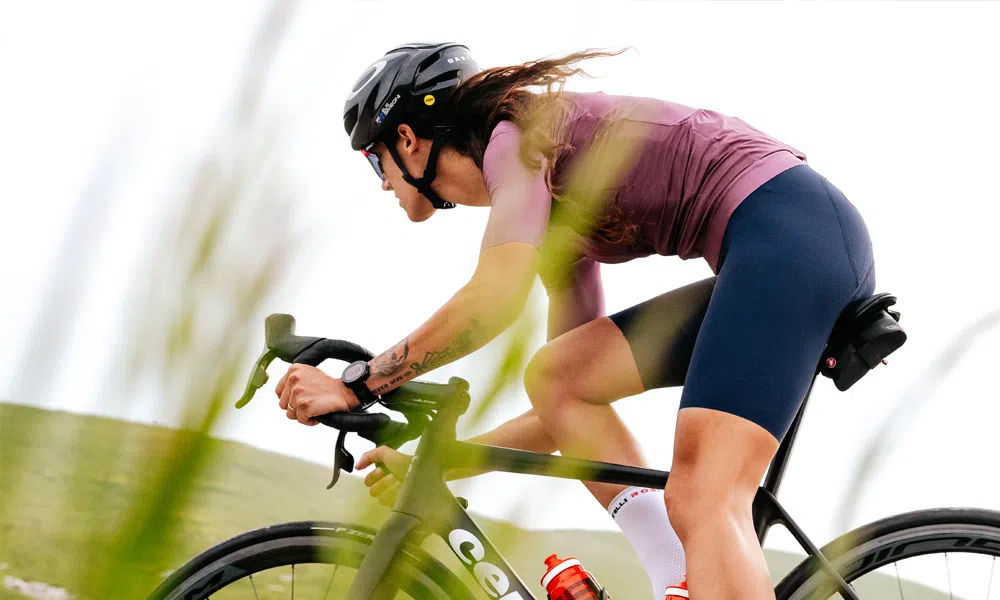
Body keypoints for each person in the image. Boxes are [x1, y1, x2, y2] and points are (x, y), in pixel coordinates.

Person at [274, 42, 876, 600]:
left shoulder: (515, 142)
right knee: (559, 376)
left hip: (792, 235)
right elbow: (563, 409)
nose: (382, 186)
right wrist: (442, 460)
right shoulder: (547, 202)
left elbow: (493, 299)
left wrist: (356, 382)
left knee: (705, 497)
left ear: (405, 138)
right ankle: (678, 577)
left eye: (373, 163)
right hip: (786, 243)